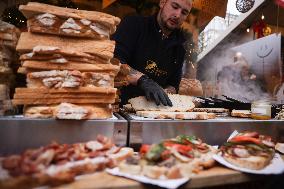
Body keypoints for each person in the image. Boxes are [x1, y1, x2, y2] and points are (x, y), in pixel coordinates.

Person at [111, 0, 193, 106]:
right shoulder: (134, 24)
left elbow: (173, 85)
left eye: (184, 12)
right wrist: (143, 80)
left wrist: (166, 93)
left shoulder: (179, 48)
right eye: (175, 7)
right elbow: (115, 61)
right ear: (162, 3)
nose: (177, 15)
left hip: (153, 112)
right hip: (118, 106)